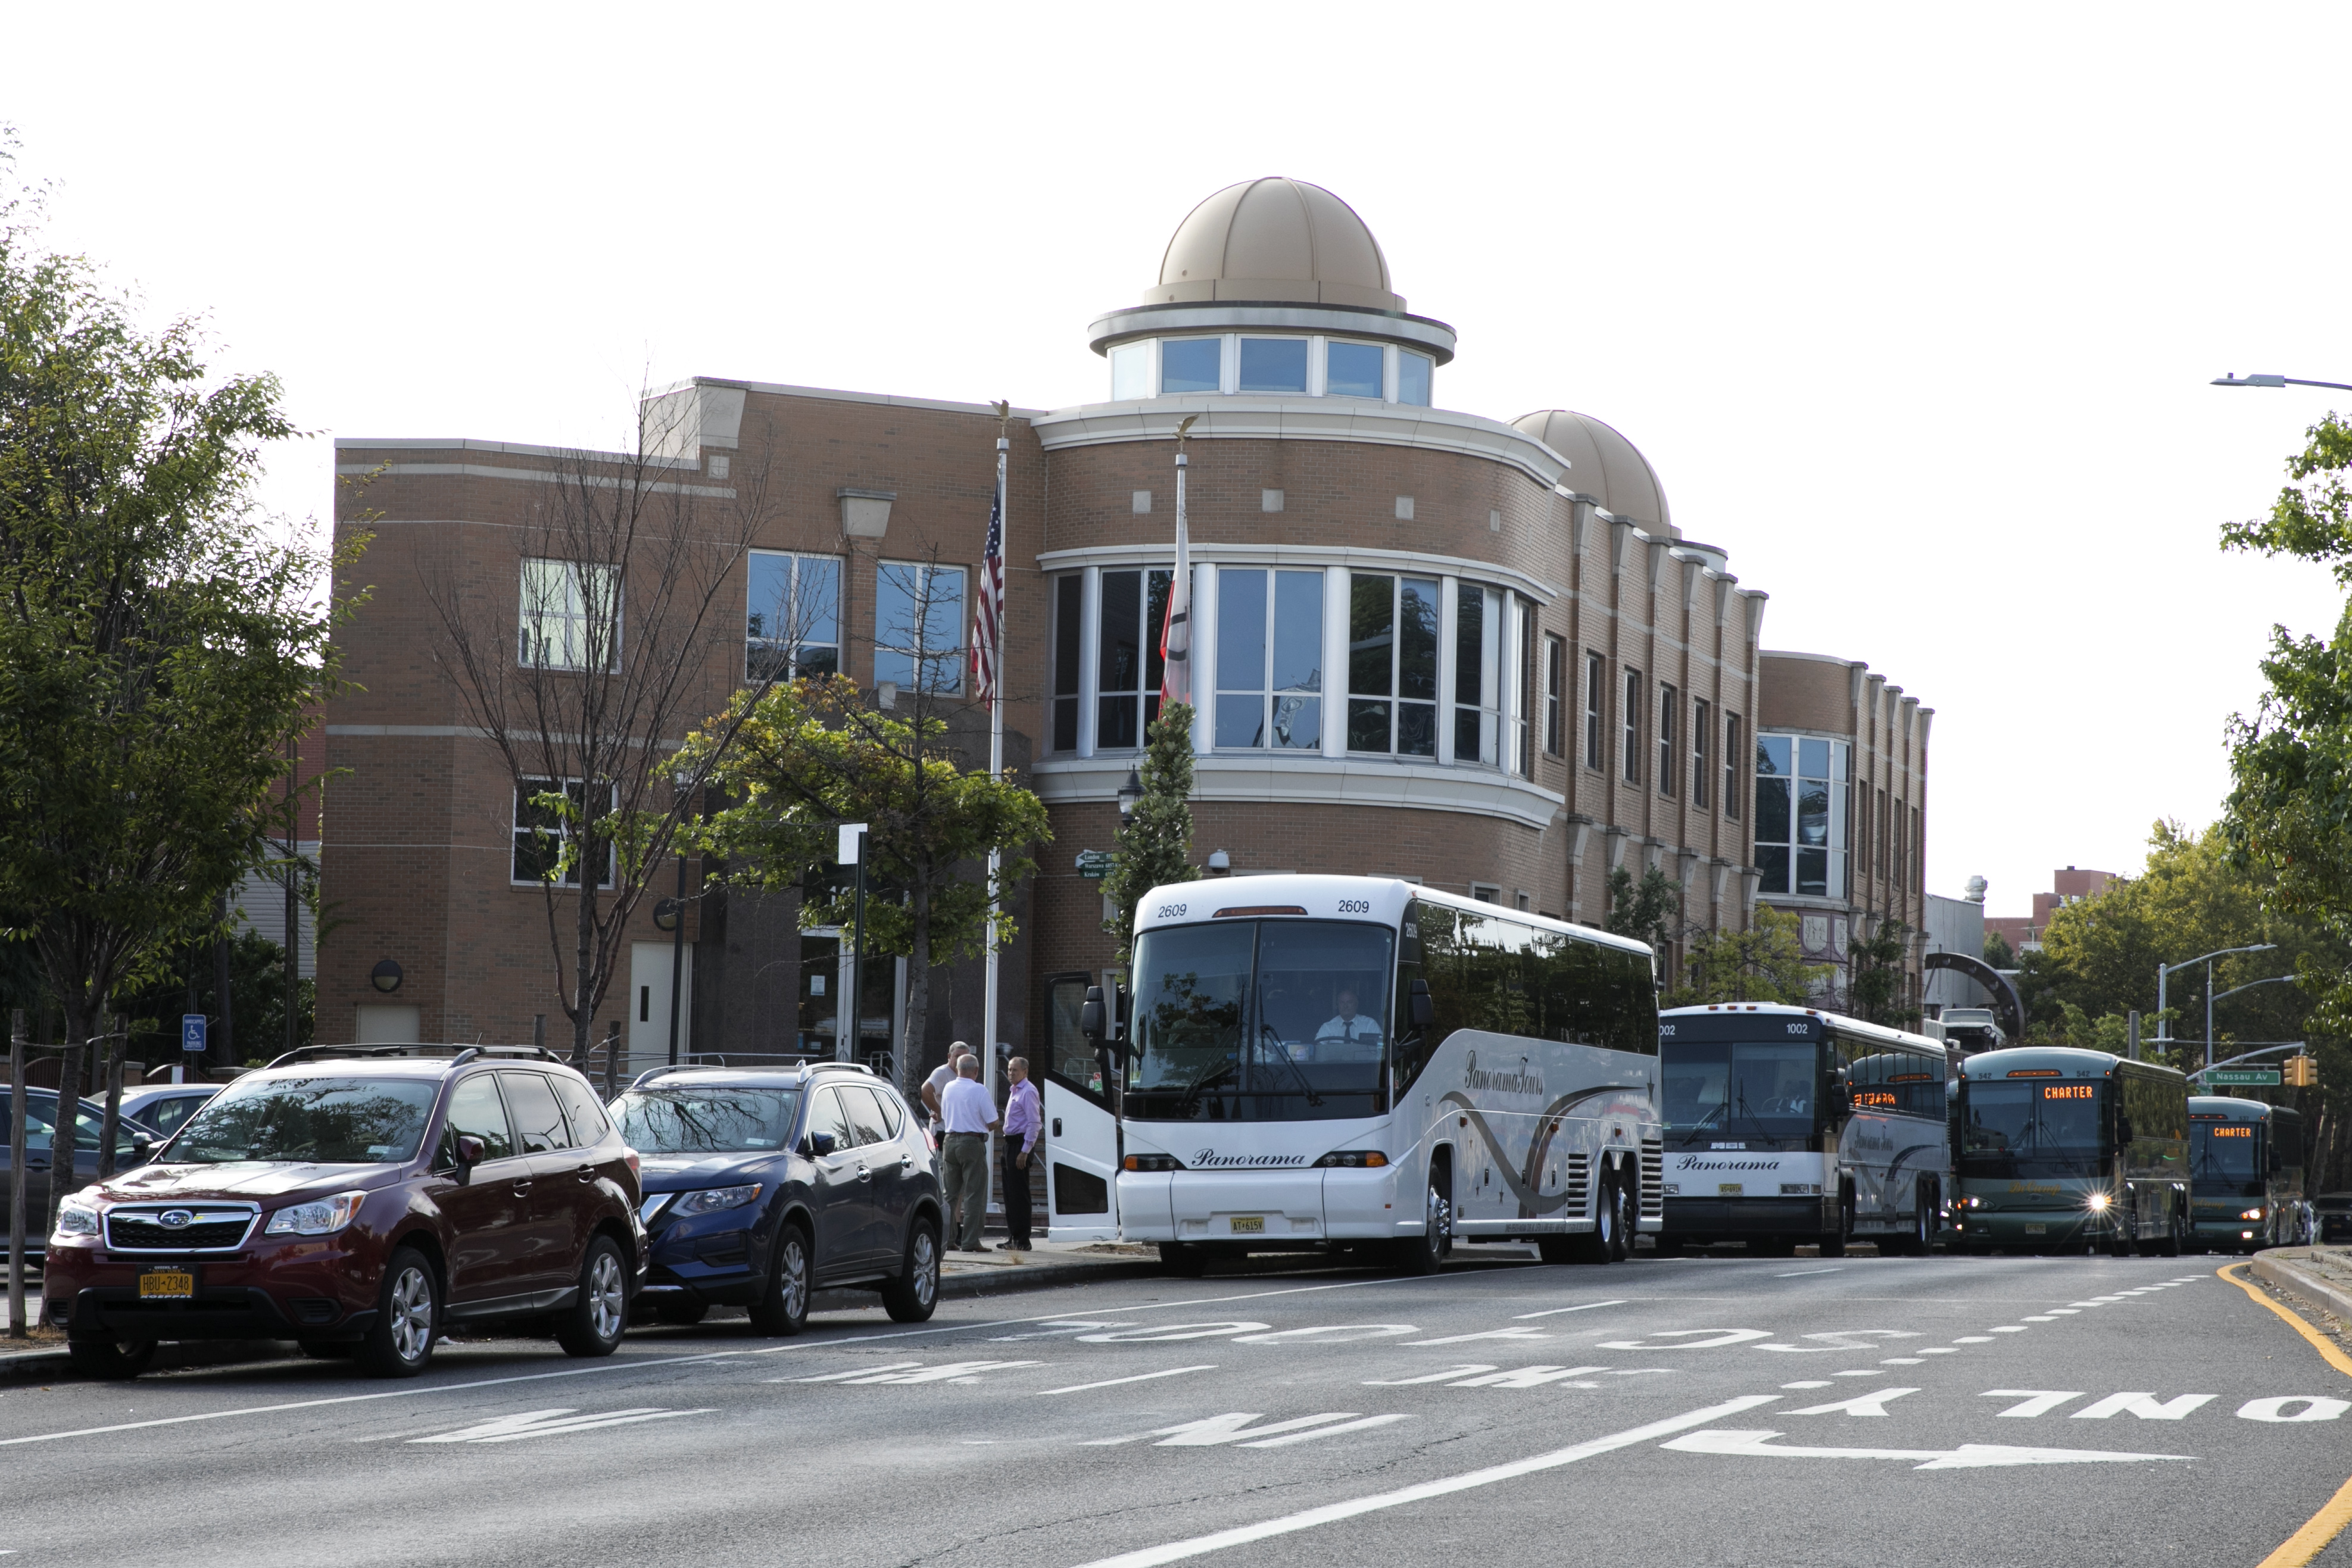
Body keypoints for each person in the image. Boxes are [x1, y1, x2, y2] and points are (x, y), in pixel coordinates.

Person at [937, 1054, 1001, 1252]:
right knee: (974, 1194)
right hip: (972, 1143)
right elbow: (993, 1121)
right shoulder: (979, 1089)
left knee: (950, 1194)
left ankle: (947, 1240)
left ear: (957, 1069)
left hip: (949, 1141)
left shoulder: (948, 1087)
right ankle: (971, 1241)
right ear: (976, 1071)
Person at [1000, 1055, 1041, 1251]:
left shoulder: (1028, 1091)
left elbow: (1034, 1124)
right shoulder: (1014, 1090)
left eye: (1015, 1070)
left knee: (1020, 1194)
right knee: (1009, 1194)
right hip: (1009, 1144)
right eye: (1009, 1069)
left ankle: (1023, 1240)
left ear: (1025, 1072)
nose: (1011, 1073)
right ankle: (1013, 1236)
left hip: (1020, 1146)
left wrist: (1025, 1151)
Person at [923, 1042, 975, 1142]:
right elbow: (925, 1091)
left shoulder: (966, 1075)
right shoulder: (942, 1073)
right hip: (943, 1132)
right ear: (949, 1056)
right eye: (957, 1056)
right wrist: (939, 1111)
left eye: (964, 1058)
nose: (961, 1061)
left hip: (959, 1133)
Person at [1315, 988, 1384, 1051]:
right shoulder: (1328, 1027)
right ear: (1337, 1005)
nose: (1346, 1006)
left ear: (1356, 1004)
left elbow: (1382, 1048)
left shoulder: (1370, 1025)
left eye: (1349, 1002)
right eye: (1342, 1003)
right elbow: (1319, 1050)